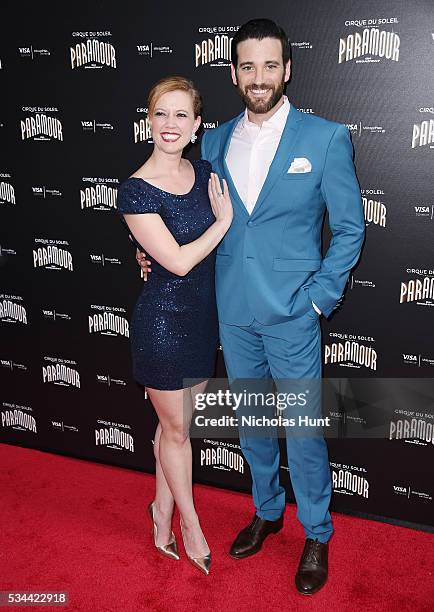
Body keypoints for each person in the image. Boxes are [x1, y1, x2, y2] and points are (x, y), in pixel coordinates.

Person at [137, 18, 365, 595]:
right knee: (255, 426)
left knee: (303, 431)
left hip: (293, 312)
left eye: (270, 65)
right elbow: (176, 212)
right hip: (229, 311)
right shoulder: (210, 143)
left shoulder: (326, 138)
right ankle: (266, 510)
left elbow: (349, 230)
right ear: (235, 73)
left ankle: (316, 529)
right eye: (247, 66)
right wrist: (150, 257)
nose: (258, 77)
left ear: (287, 70)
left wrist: (318, 299)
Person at [116, 75, 233, 576]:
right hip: (162, 324)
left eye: (181, 114)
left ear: (196, 125)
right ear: (147, 122)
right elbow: (180, 262)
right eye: (161, 113)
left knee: (173, 430)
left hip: (203, 321)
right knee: (179, 430)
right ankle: (191, 526)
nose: (170, 124)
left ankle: (160, 514)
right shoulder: (134, 190)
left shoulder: (203, 169)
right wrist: (221, 224)